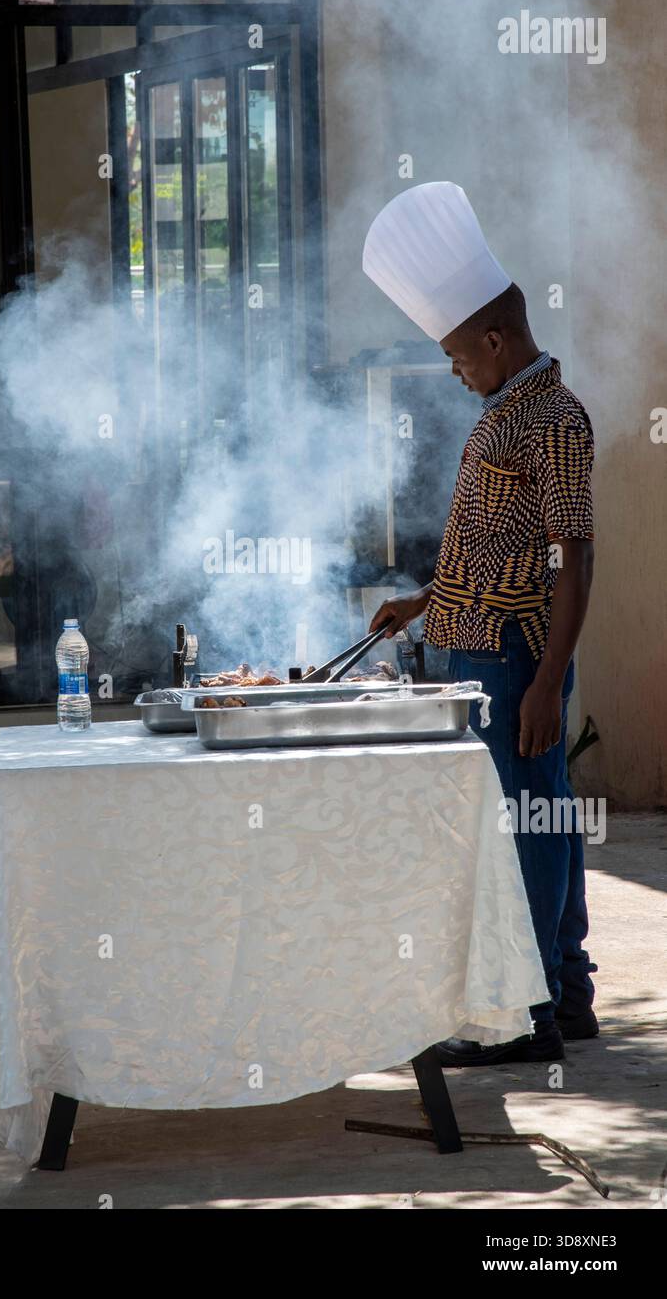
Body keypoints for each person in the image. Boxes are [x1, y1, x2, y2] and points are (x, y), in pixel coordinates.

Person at [364, 182, 597, 1065]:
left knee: (524, 823)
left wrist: (544, 681)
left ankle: (528, 1015)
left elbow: (573, 558)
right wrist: (427, 599)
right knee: (543, 815)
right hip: (478, 644)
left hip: (513, 658)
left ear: (495, 339)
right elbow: (494, 540)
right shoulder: (503, 411)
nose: (454, 370)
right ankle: (565, 992)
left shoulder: (554, 419)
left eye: (458, 355)